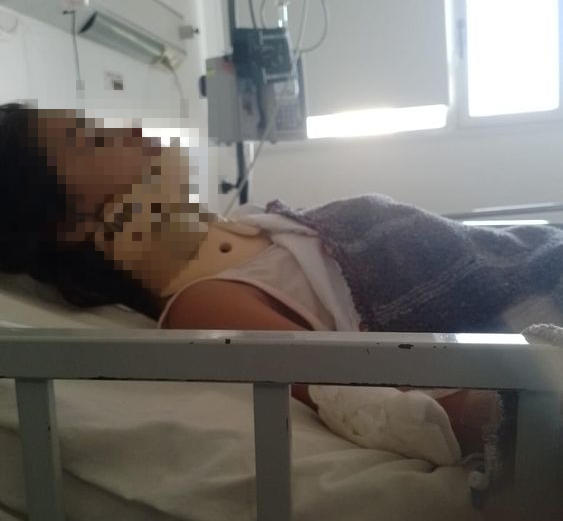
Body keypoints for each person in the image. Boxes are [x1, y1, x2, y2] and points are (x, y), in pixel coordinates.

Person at [2, 101, 562, 451]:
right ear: (69, 225)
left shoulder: (251, 222)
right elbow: (368, 398)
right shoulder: (202, 304)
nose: (130, 128)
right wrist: (528, 414)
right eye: (96, 140)